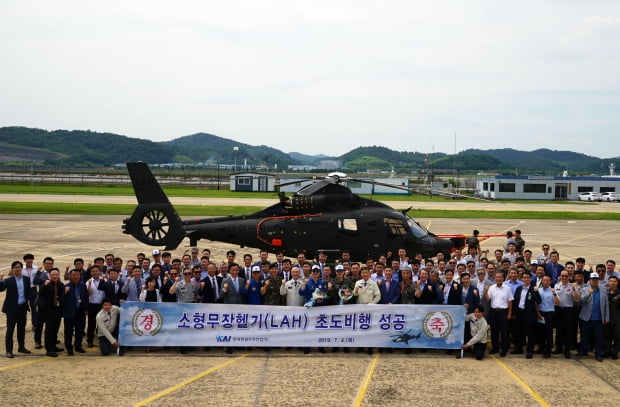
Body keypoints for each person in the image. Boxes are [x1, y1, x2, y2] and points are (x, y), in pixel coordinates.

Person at [0, 261, 31, 358]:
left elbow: (29, 292)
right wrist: (0, 280)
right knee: (10, 330)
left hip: (22, 307)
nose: (17, 269)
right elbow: (1, 289)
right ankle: (9, 350)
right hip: (12, 308)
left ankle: (21, 347)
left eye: (19, 267)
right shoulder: (8, 280)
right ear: (12, 269)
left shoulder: (26, 279)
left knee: (21, 329)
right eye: (15, 267)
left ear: (22, 269)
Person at [579, 272, 610, 362]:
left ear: (598, 280)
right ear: (589, 280)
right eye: (593, 279)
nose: (595, 281)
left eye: (596, 279)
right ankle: (583, 351)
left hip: (599, 318)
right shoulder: (584, 289)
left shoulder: (603, 290)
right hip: (586, 317)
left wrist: (606, 317)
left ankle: (598, 354)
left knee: (599, 338)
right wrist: (588, 294)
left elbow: (606, 305)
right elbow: (581, 301)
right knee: (585, 336)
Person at [37, 268, 65, 357]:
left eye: (56, 274)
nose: (55, 276)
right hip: (48, 311)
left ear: (59, 275)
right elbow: (40, 294)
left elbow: (62, 297)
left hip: (57, 310)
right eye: (52, 275)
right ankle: (49, 349)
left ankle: (53, 346)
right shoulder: (46, 284)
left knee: (55, 329)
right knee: (49, 330)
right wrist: (44, 285)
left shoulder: (61, 285)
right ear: (50, 276)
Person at [485, 271, 514, 357]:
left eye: (500, 277)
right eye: (496, 277)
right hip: (493, 311)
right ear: (495, 278)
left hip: (503, 312)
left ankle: (504, 349)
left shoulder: (507, 288)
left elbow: (510, 301)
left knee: (504, 331)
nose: (498, 279)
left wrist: (509, 313)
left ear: (503, 278)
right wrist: (486, 291)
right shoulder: (491, 288)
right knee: (494, 331)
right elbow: (487, 300)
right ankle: (495, 348)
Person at [553, 270, 580, 358]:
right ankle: (559, 348)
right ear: (560, 276)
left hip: (568, 310)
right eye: (562, 276)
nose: (564, 277)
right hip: (559, 310)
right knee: (559, 330)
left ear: (569, 277)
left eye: (566, 276)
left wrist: (574, 289)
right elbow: (555, 299)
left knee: (568, 331)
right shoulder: (557, 285)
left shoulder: (572, 286)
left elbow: (576, 299)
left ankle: (567, 350)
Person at [63, 269, 88, 355]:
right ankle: (69, 347)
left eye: (77, 275)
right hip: (70, 312)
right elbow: (62, 300)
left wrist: (86, 309)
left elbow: (85, 298)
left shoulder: (83, 285)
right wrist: (65, 293)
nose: (76, 277)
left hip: (80, 311)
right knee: (68, 331)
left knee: (80, 330)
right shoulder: (66, 286)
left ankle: (78, 346)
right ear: (70, 276)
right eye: (73, 275)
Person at [537, 275, 560, 358]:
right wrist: (538, 314)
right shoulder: (538, 290)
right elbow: (536, 303)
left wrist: (554, 294)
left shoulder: (553, 291)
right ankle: (541, 348)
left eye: (547, 280)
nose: (545, 282)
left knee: (548, 333)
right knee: (540, 332)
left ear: (550, 282)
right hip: (540, 313)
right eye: (544, 280)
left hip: (549, 314)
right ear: (542, 281)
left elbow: (558, 303)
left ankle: (548, 350)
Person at [86, 265, 105, 348]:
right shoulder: (88, 282)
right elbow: (89, 294)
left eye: (96, 271)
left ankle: (102, 340)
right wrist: (89, 285)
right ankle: (90, 340)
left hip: (102, 305)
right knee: (91, 323)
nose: (95, 273)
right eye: (93, 271)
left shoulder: (104, 280)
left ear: (99, 271)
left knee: (102, 324)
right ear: (90, 273)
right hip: (92, 305)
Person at [604, 276, 620, 359]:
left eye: (614, 281)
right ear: (608, 282)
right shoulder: (605, 293)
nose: (613, 283)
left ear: (617, 283)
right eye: (611, 281)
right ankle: (607, 351)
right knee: (607, 336)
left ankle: (615, 352)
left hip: (617, 320)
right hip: (607, 319)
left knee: (617, 337)